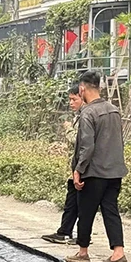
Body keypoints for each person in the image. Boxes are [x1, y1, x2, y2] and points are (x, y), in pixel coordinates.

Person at [65, 71, 129, 262]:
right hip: (114, 171)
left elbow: (87, 146)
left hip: (94, 172)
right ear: (99, 87)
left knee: (86, 211)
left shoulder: (88, 113)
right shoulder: (114, 110)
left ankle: (83, 251)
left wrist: (78, 169)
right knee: (111, 210)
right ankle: (118, 252)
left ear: (82, 89)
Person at [42, 82, 84, 245]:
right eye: (70, 100)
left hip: (82, 167)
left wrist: (68, 129)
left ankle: (82, 236)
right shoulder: (78, 116)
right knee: (72, 202)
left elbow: (78, 140)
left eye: (74, 99)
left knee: (81, 203)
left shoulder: (86, 116)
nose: (71, 103)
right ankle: (65, 231)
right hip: (75, 166)